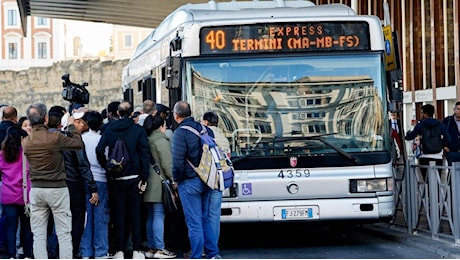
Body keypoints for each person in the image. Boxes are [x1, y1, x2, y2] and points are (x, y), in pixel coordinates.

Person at [22, 102, 84, 259]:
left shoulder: (26, 142)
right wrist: (71, 127)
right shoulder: (55, 138)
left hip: (36, 189)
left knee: (39, 234)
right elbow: (78, 144)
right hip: (57, 188)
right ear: (45, 118)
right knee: (64, 233)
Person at [96, 101, 151, 259]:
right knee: (136, 214)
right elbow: (144, 154)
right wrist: (144, 176)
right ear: (131, 112)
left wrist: (107, 166)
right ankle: (137, 250)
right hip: (134, 177)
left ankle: (119, 250)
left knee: (119, 214)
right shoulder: (138, 130)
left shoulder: (109, 130)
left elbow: (99, 150)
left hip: (116, 177)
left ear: (118, 113)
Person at [171, 101, 217, 259]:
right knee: (205, 219)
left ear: (176, 115)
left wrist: (176, 181)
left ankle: (197, 256)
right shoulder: (207, 130)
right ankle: (213, 254)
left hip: (189, 182)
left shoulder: (180, 133)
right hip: (207, 179)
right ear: (190, 113)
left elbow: (177, 162)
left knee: (194, 222)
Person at [142, 114, 176, 259]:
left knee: (150, 215)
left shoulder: (146, 139)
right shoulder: (161, 141)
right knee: (158, 215)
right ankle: (160, 248)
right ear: (161, 126)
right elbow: (167, 165)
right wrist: (173, 181)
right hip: (158, 182)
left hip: (147, 182)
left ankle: (150, 247)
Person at [80, 111, 110, 259]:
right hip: (101, 179)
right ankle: (101, 251)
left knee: (86, 217)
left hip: (84, 180)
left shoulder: (81, 139)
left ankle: (86, 251)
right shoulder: (102, 139)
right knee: (101, 217)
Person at [0, 125, 33, 259]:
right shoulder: (26, 153)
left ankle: (11, 254)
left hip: (8, 195)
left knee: (11, 227)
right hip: (24, 195)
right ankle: (26, 253)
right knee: (26, 227)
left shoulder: (2, 154)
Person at [200, 111, 229, 259]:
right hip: (221, 180)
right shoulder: (224, 138)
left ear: (205, 122)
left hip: (208, 179)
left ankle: (207, 247)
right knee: (214, 215)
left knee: (204, 215)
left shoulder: (206, 135)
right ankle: (214, 246)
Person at [405, 104, 451, 179]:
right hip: (438, 156)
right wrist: (441, 145)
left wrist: (406, 135)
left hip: (424, 156)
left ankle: (428, 190)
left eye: (422, 113)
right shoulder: (440, 125)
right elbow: (448, 139)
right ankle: (436, 191)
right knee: (437, 180)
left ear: (425, 114)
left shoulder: (421, 125)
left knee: (426, 181)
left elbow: (411, 136)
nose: (421, 115)